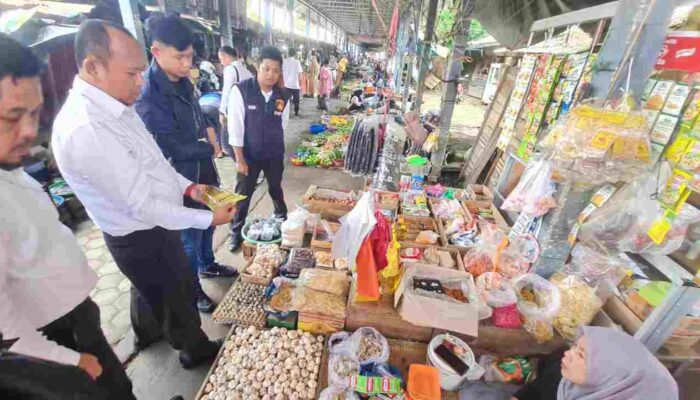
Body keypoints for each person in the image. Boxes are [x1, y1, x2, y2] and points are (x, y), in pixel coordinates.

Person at [52, 19, 235, 369]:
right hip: (139, 232)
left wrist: (189, 187)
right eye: (132, 73)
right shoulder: (88, 128)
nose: (141, 82)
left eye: (140, 73)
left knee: (151, 287)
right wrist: (209, 217)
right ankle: (191, 349)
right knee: (175, 289)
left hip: (150, 223)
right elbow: (145, 206)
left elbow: (154, 161)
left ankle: (148, 333)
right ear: (93, 66)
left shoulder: (117, 104)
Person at [0, 33, 135, 399]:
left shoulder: (10, 170)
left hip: (74, 315)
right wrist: (67, 360)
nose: (30, 131)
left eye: (34, 113)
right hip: (49, 343)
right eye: (13, 116)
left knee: (119, 386)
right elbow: (6, 333)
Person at [136, 14, 237, 315]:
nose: (186, 63)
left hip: (203, 167)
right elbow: (166, 146)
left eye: (190, 56)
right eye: (180, 57)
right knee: (189, 239)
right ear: (156, 51)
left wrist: (208, 130)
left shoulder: (182, 81)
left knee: (210, 223)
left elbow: (196, 114)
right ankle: (193, 291)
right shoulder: (149, 95)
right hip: (181, 177)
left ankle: (209, 266)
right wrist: (206, 146)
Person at [227, 46, 290, 252]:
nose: (271, 75)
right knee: (243, 194)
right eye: (266, 69)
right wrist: (239, 158)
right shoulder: (241, 90)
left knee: (275, 187)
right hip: (249, 156)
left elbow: (283, 124)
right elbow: (235, 127)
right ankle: (235, 232)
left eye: (276, 71)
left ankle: (282, 217)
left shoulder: (283, 96)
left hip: (273, 154)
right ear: (257, 67)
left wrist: (276, 146)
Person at [512, 326, 678, 400]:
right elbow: (530, 394)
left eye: (581, 355)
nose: (569, 353)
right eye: (575, 346)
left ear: (608, 376)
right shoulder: (564, 374)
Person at [219, 45, 253, 156]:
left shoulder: (230, 69)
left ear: (225, 56)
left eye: (221, 59)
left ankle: (242, 162)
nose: (221, 63)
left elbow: (226, 91)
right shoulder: (246, 71)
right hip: (247, 112)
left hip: (234, 112)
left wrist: (222, 112)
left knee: (227, 145)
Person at [198, 79, 227, 158]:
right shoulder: (216, 93)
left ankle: (214, 150)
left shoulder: (200, 97)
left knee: (208, 130)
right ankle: (221, 151)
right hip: (214, 108)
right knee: (219, 129)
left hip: (201, 108)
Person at [283, 48, 303, 117]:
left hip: (286, 84)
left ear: (288, 53)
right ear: (294, 54)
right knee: (296, 100)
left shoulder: (284, 61)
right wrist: (301, 84)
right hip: (295, 85)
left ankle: (282, 112)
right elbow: (300, 74)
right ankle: (296, 112)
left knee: (285, 100)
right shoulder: (297, 62)